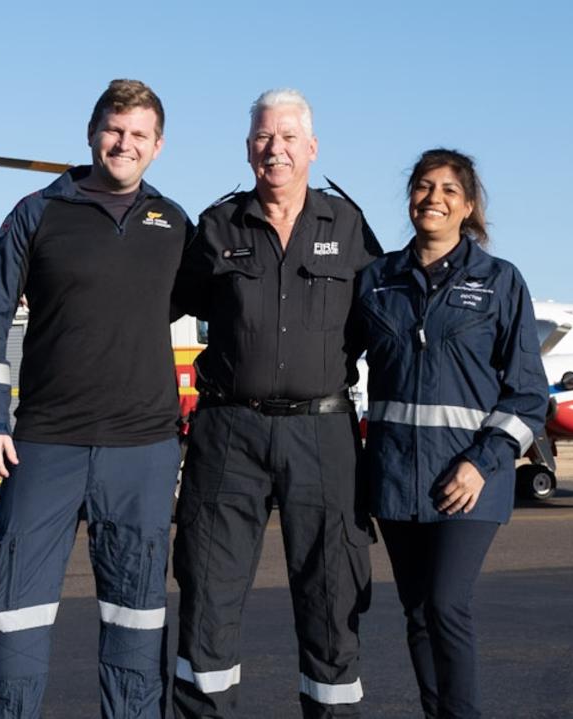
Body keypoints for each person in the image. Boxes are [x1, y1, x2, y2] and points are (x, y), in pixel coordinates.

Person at [0, 79, 192, 718]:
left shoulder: (173, 223)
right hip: (44, 443)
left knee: (137, 618)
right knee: (13, 613)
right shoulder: (36, 212)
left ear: (158, 146)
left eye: (139, 135)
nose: (125, 144)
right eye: (115, 130)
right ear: (93, 134)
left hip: (143, 449)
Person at [171, 88, 382, 719]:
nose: (276, 149)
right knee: (208, 592)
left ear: (312, 148)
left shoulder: (347, 226)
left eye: (289, 137)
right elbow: (151, 308)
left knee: (332, 595)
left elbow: (386, 325)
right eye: (265, 137)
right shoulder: (216, 226)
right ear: (248, 149)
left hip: (323, 435)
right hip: (227, 432)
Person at [355, 149, 548, 718]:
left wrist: (481, 462)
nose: (432, 197)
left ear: (467, 206)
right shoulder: (377, 280)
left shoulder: (500, 282)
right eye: (422, 186)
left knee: (447, 604)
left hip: (467, 482)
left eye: (447, 189)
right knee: (416, 611)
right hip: (394, 479)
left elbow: (529, 393)